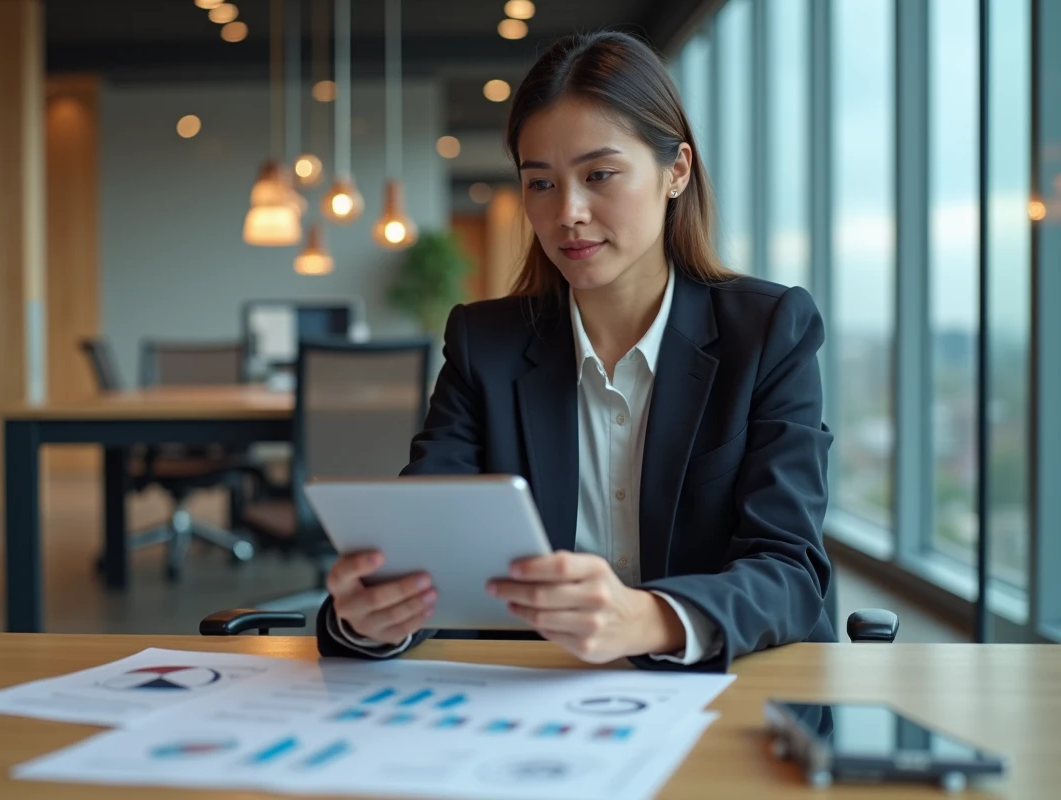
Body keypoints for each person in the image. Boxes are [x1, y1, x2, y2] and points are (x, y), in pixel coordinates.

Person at [315, 30, 834, 672]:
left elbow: (790, 570)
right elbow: (425, 547)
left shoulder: (768, 332)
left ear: (676, 171)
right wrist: (370, 616)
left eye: (600, 175)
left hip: (720, 691)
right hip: (530, 701)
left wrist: (647, 619)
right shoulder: (487, 346)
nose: (569, 212)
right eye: (541, 184)